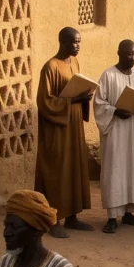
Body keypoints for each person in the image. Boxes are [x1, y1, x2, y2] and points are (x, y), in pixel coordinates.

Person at [33, 27, 93, 235]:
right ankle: (53, 221)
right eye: (74, 42)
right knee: (57, 171)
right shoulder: (50, 67)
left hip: (74, 126)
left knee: (73, 169)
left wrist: (84, 98)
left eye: (79, 42)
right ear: (62, 42)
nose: (77, 46)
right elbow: (45, 101)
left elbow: (75, 90)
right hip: (57, 129)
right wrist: (73, 100)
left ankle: (72, 217)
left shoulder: (74, 62)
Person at [94, 39, 134, 233]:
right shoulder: (108, 75)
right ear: (118, 53)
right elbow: (99, 103)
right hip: (116, 132)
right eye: (128, 54)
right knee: (115, 170)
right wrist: (115, 111)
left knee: (133, 170)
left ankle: (128, 213)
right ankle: (112, 217)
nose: (132, 58)